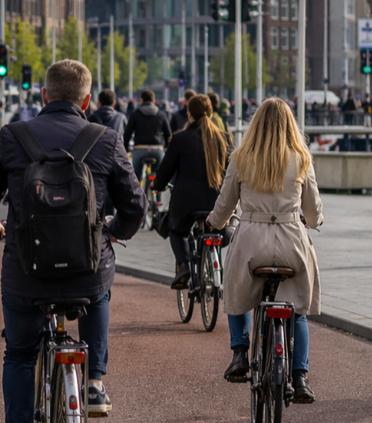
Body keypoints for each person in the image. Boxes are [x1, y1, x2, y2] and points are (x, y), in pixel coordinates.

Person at [0, 60, 143, 423]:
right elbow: (135, 205)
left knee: (20, 355)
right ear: (86, 100)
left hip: (26, 274)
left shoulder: (13, 137)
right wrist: (113, 233)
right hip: (87, 270)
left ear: (43, 96)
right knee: (100, 291)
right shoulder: (106, 139)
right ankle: (96, 382)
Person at [208, 98, 323, 404]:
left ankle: (240, 353)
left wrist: (214, 222)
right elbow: (312, 211)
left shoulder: (241, 157)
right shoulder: (301, 158)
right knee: (296, 309)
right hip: (291, 242)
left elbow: (225, 205)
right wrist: (316, 220)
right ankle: (299, 377)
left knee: (235, 294)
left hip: (250, 242)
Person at [153, 94, 232, 289]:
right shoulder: (225, 139)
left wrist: (158, 185)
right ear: (211, 112)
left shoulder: (179, 139)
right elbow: (233, 173)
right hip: (216, 201)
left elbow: (165, 171)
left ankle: (183, 265)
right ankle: (213, 259)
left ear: (189, 114)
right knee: (223, 231)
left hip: (185, 203)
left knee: (174, 228)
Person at [123, 89, 172, 182]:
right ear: (154, 101)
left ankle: (138, 186)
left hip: (139, 149)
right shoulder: (161, 115)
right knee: (158, 176)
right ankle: (156, 192)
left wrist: (125, 150)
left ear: (141, 100)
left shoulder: (135, 114)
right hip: (157, 150)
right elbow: (168, 135)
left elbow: (127, 134)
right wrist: (166, 148)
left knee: (136, 176)